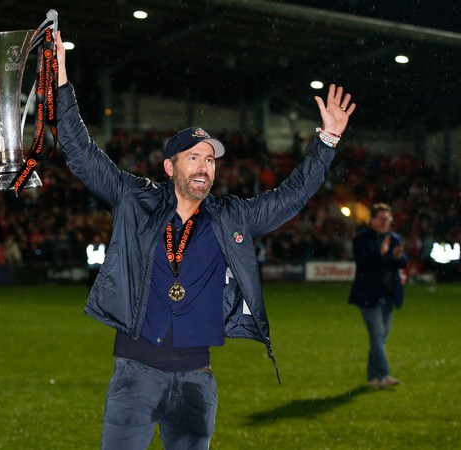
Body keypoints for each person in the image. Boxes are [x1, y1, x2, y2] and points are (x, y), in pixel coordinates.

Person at [54, 31, 355, 449]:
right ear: (169, 166)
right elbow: (80, 151)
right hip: (135, 374)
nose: (204, 166)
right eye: (193, 157)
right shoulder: (133, 199)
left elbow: (292, 196)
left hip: (197, 380)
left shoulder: (231, 215)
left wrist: (328, 141)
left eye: (210, 159)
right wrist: (61, 82)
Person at [348, 203, 406, 388]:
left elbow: (402, 262)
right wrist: (380, 253)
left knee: (379, 338)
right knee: (378, 335)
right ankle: (385, 375)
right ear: (372, 220)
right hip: (369, 295)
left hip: (388, 295)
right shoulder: (361, 239)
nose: (385, 222)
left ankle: (373, 378)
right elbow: (363, 263)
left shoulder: (394, 238)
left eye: (388, 219)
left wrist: (397, 257)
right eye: (381, 218)